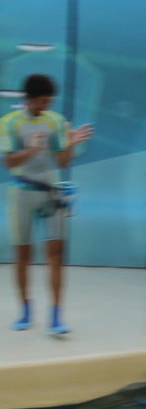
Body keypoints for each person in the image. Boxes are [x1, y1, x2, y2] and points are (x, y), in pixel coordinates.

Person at [1, 73, 93, 335]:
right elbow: (8, 162)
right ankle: (25, 310)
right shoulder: (9, 123)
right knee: (22, 257)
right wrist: (30, 150)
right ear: (28, 99)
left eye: (49, 101)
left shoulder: (55, 121)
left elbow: (62, 161)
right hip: (21, 193)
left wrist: (71, 144)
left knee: (55, 256)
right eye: (42, 101)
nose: (47, 105)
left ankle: (56, 316)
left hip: (50, 192)